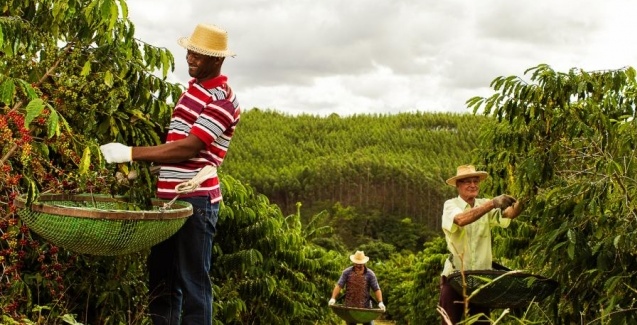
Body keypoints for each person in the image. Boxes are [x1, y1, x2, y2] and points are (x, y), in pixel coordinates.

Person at [99, 23, 240, 325]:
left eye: (199, 54)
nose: (190, 58)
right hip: (168, 202)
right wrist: (147, 170)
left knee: (193, 282)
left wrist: (131, 152)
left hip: (196, 203)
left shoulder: (223, 100)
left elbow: (189, 149)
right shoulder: (192, 93)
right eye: (190, 51)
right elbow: (174, 148)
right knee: (162, 280)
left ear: (217, 59)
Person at [438, 164, 522, 324]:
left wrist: (524, 199)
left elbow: (508, 214)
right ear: (458, 185)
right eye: (467, 181)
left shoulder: (484, 204)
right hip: (454, 278)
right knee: (449, 322)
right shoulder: (451, 205)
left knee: (481, 322)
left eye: (475, 181)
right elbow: (461, 219)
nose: (473, 185)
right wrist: (492, 203)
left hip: (480, 281)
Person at [328, 251, 385, 325]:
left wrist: (380, 302)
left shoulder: (370, 274)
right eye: (356, 264)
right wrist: (333, 298)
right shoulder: (347, 272)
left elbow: (376, 289)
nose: (358, 265)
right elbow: (339, 285)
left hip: (366, 308)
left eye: (360, 264)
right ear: (354, 263)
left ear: (364, 263)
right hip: (350, 308)